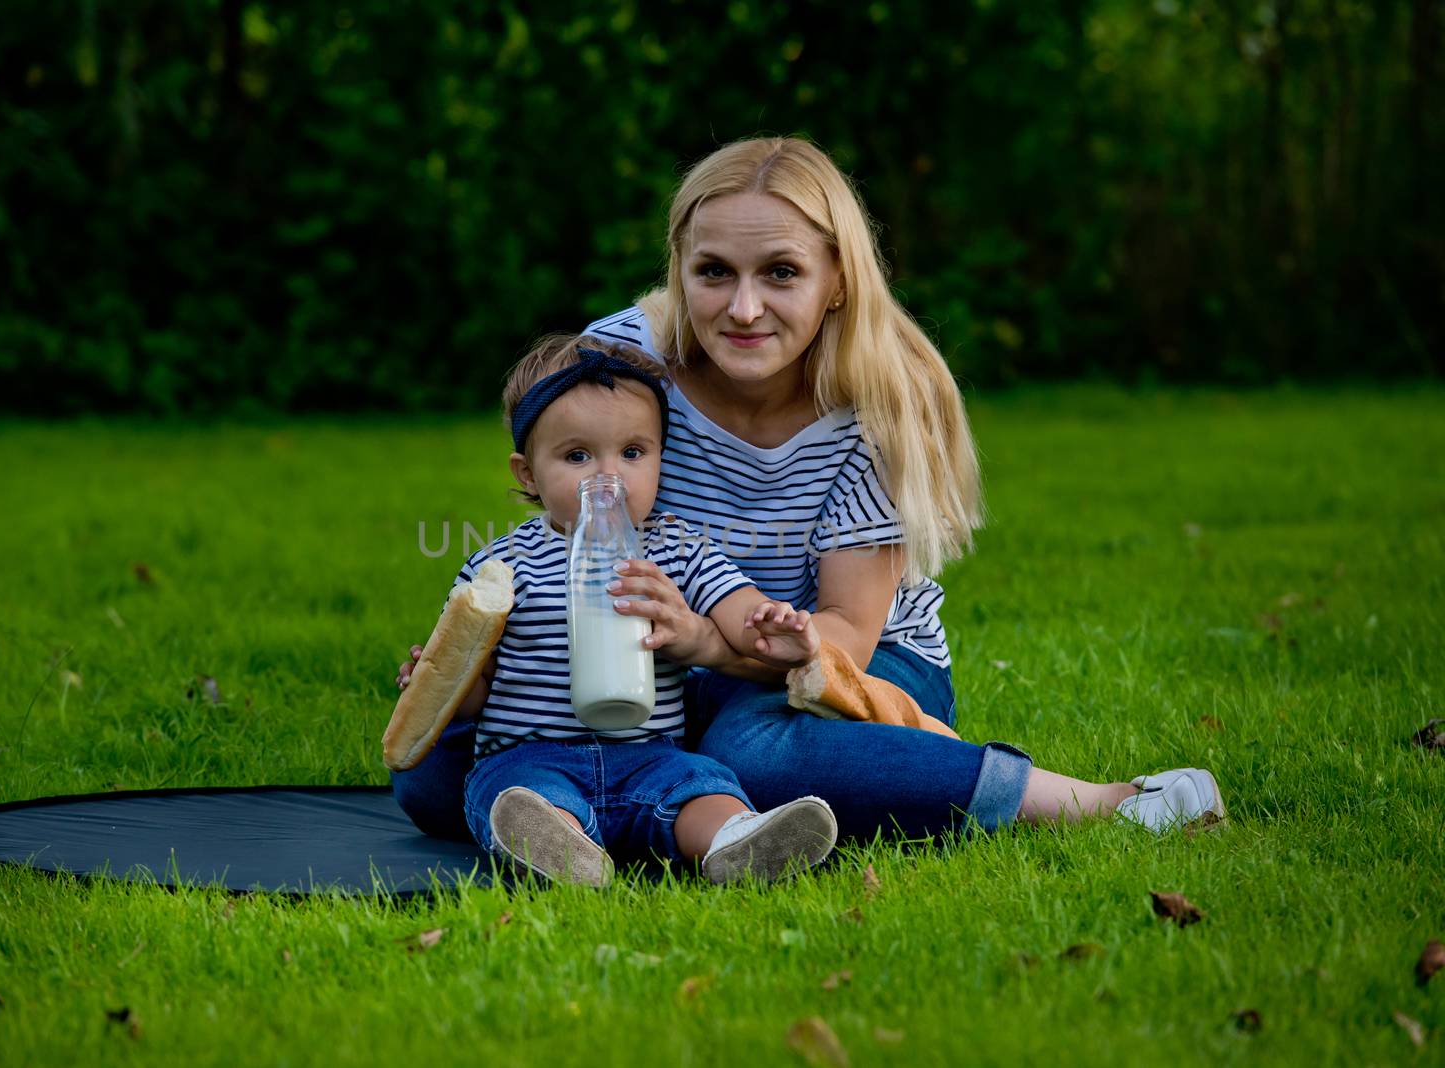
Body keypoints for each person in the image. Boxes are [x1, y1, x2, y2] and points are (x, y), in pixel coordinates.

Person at [395, 137, 1225, 845]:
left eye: (781, 272)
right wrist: (470, 671)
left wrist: (710, 645)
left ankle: (1102, 803)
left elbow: (845, 642)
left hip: (842, 666)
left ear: (836, 279)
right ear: (679, 271)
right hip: (656, 656)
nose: (743, 308)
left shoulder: (882, 406)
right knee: (435, 778)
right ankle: (627, 804)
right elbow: (558, 508)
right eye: (713, 272)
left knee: (755, 750)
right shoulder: (626, 365)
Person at [432, 332, 842, 886]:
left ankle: (737, 841)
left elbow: (741, 614)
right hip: (534, 756)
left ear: (659, 460)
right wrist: (442, 683)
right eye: (577, 456)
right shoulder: (502, 567)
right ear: (527, 473)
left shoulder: (677, 550)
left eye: (632, 452)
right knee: (519, 797)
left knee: (701, 785)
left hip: (650, 754)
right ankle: (561, 848)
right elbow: (476, 686)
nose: (609, 477)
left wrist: (774, 627)